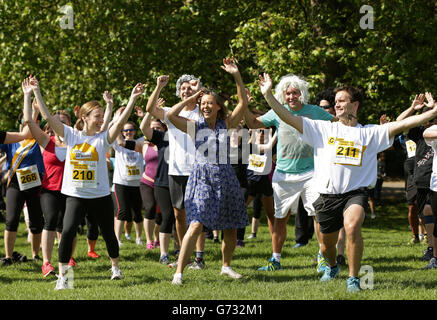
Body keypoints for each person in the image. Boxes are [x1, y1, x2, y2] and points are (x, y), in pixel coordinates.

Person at [259, 73, 437, 292]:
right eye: (336, 102)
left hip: (356, 194)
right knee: (327, 247)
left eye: (342, 100)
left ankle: (353, 278)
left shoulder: (370, 133)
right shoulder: (322, 129)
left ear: (355, 105)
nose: (337, 104)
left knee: (352, 226)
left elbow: (403, 124)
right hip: (327, 197)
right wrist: (268, 94)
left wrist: (433, 112)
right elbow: (287, 116)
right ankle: (332, 266)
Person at [29, 75, 144, 290]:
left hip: (100, 195)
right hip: (75, 195)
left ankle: (115, 267)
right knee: (68, 230)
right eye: (97, 116)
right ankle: (63, 277)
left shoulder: (103, 138)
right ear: (85, 117)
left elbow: (120, 121)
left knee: (109, 234)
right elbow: (47, 117)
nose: (101, 120)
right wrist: (36, 92)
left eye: (102, 116)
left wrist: (132, 99)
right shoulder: (71, 135)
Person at [168, 57, 249, 285]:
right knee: (195, 224)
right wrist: (194, 96)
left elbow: (243, 102)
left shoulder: (227, 123)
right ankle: (179, 273)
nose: (205, 106)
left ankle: (226, 267)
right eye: (203, 103)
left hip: (226, 176)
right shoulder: (194, 126)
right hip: (202, 177)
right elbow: (171, 116)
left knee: (231, 224)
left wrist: (236, 75)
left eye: (209, 103)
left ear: (218, 106)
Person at [244, 73, 334, 272]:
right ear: (282, 96)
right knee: (280, 217)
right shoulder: (278, 111)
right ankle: (275, 259)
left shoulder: (315, 111)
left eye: (295, 93)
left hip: (312, 173)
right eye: (288, 93)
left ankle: (322, 257)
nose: (292, 97)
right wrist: (244, 105)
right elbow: (252, 124)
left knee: (317, 215)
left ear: (302, 94)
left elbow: (336, 124)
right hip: (283, 174)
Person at [146, 74, 207, 269]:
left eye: (190, 88)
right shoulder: (170, 112)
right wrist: (158, 87)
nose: (186, 91)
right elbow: (149, 109)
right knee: (179, 214)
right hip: (176, 170)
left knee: (198, 215)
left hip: (198, 169)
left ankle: (199, 257)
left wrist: (200, 90)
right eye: (183, 89)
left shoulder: (202, 112)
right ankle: (184, 255)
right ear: (178, 93)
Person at [21, 84, 78, 277]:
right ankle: (46, 263)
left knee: (69, 225)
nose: (59, 123)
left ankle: (68, 258)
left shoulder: (75, 141)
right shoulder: (47, 141)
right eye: (56, 120)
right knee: (51, 221)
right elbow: (29, 120)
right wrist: (28, 95)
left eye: (63, 121)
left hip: (71, 189)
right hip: (49, 189)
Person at [0, 84, 45, 266]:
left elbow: (30, 125)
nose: (26, 125)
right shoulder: (12, 140)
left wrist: (33, 109)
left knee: (36, 220)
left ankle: (35, 255)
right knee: (11, 219)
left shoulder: (37, 139)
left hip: (34, 181)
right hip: (15, 183)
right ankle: (9, 256)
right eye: (23, 123)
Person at [397, 94, 437, 261]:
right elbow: (399, 123)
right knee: (425, 215)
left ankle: (433, 251)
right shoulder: (420, 132)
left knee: (430, 211)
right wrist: (413, 109)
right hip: (420, 180)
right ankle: (431, 248)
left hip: (434, 181)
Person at [112, 117, 145, 247]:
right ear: (122, 132)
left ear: (134, 132)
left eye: (131, 130)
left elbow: (147, 130)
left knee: (137, 212)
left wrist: (143, 115)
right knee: (122, 211)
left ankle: (139, 238)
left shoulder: (140, 143)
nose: (128, 132)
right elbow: (113, 131)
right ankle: (118, 239)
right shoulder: (119, 144)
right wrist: (117, 118)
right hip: (121, 182)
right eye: (125, 131)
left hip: (137, 183)